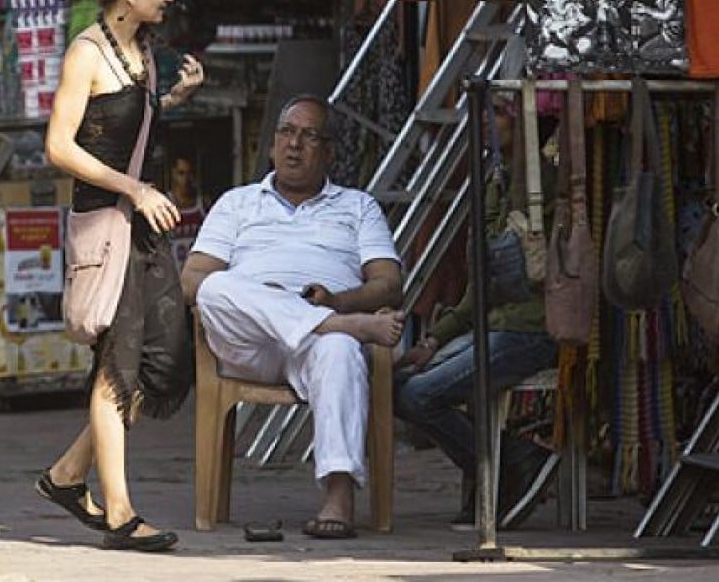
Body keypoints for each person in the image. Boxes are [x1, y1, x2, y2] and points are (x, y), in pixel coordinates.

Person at [38, 0, 204, 552]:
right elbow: (59, 146)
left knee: (164, 361)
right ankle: (119, 514)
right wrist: (132, 191)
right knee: (117, 367)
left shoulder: (142, 51)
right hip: (106, 226)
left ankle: (65, 476)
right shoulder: (86, 52)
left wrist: (171, 99)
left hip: (139, 227)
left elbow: (129, 123)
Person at [180, 94, 405, 539]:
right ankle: (334, 326)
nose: (294, 145)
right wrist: (327, 316)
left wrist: (336, 304)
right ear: (271, 145)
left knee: (340, 348)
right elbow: (193, 280)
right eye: (286, 132)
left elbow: (389, 283)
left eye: (309, 135)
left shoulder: (358, 206)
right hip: (250, 343)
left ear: (329, 152)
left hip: (318, 341)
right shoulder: (237, 203)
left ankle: (338, 495)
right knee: (214, 287)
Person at [394, 95, 559, 531]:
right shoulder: (496, 183)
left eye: (502, 113)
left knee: (420, 395)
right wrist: (433, 340)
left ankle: (508, 466)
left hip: (532, 331)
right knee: (397, 384)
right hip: (495, 328)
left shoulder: (548, 184)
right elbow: (478, 292)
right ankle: (508, 463)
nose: (489, 122)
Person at [166, 153, 208, 270]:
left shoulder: (204, 204)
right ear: (173, 174)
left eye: (190, 174)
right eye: (181, 173)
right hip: (171, 275)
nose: (186, 180)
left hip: (196, 272)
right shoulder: (165, 204)